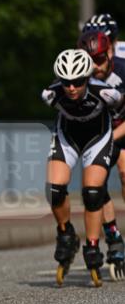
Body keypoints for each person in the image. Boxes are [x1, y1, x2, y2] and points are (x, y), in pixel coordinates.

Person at [42, 48, 124, 286]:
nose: (71, 88)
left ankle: (92, 245)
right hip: (67, 137)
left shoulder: (107, 93)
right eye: (66, 82)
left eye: (78, 82)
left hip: (97, 139)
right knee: (55, 190)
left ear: (87, 78)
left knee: (92, 193)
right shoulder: (50, 94)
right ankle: (66, 234)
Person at [78, 25, 125, 278]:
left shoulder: (123, 69)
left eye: (99, 59)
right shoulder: (81, 78)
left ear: (110, 54)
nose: (95, 66)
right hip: (100, 133)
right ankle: (113, 236)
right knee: (96, 188)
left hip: (122, 129)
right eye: (90, 61)